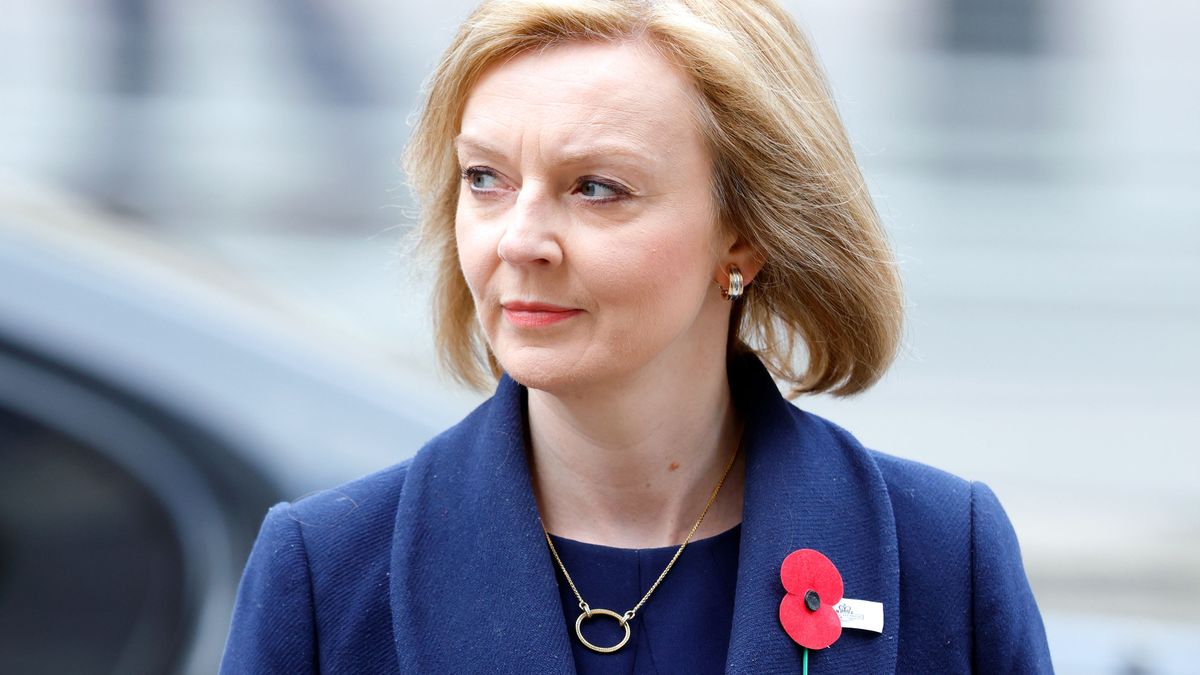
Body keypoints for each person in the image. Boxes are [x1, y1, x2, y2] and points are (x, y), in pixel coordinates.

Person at [220, 0, 1053, 673]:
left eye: (596, 187)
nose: (519, 239)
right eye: (486, 179)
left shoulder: (943, 552)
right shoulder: (325, 572)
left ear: (744, 233)